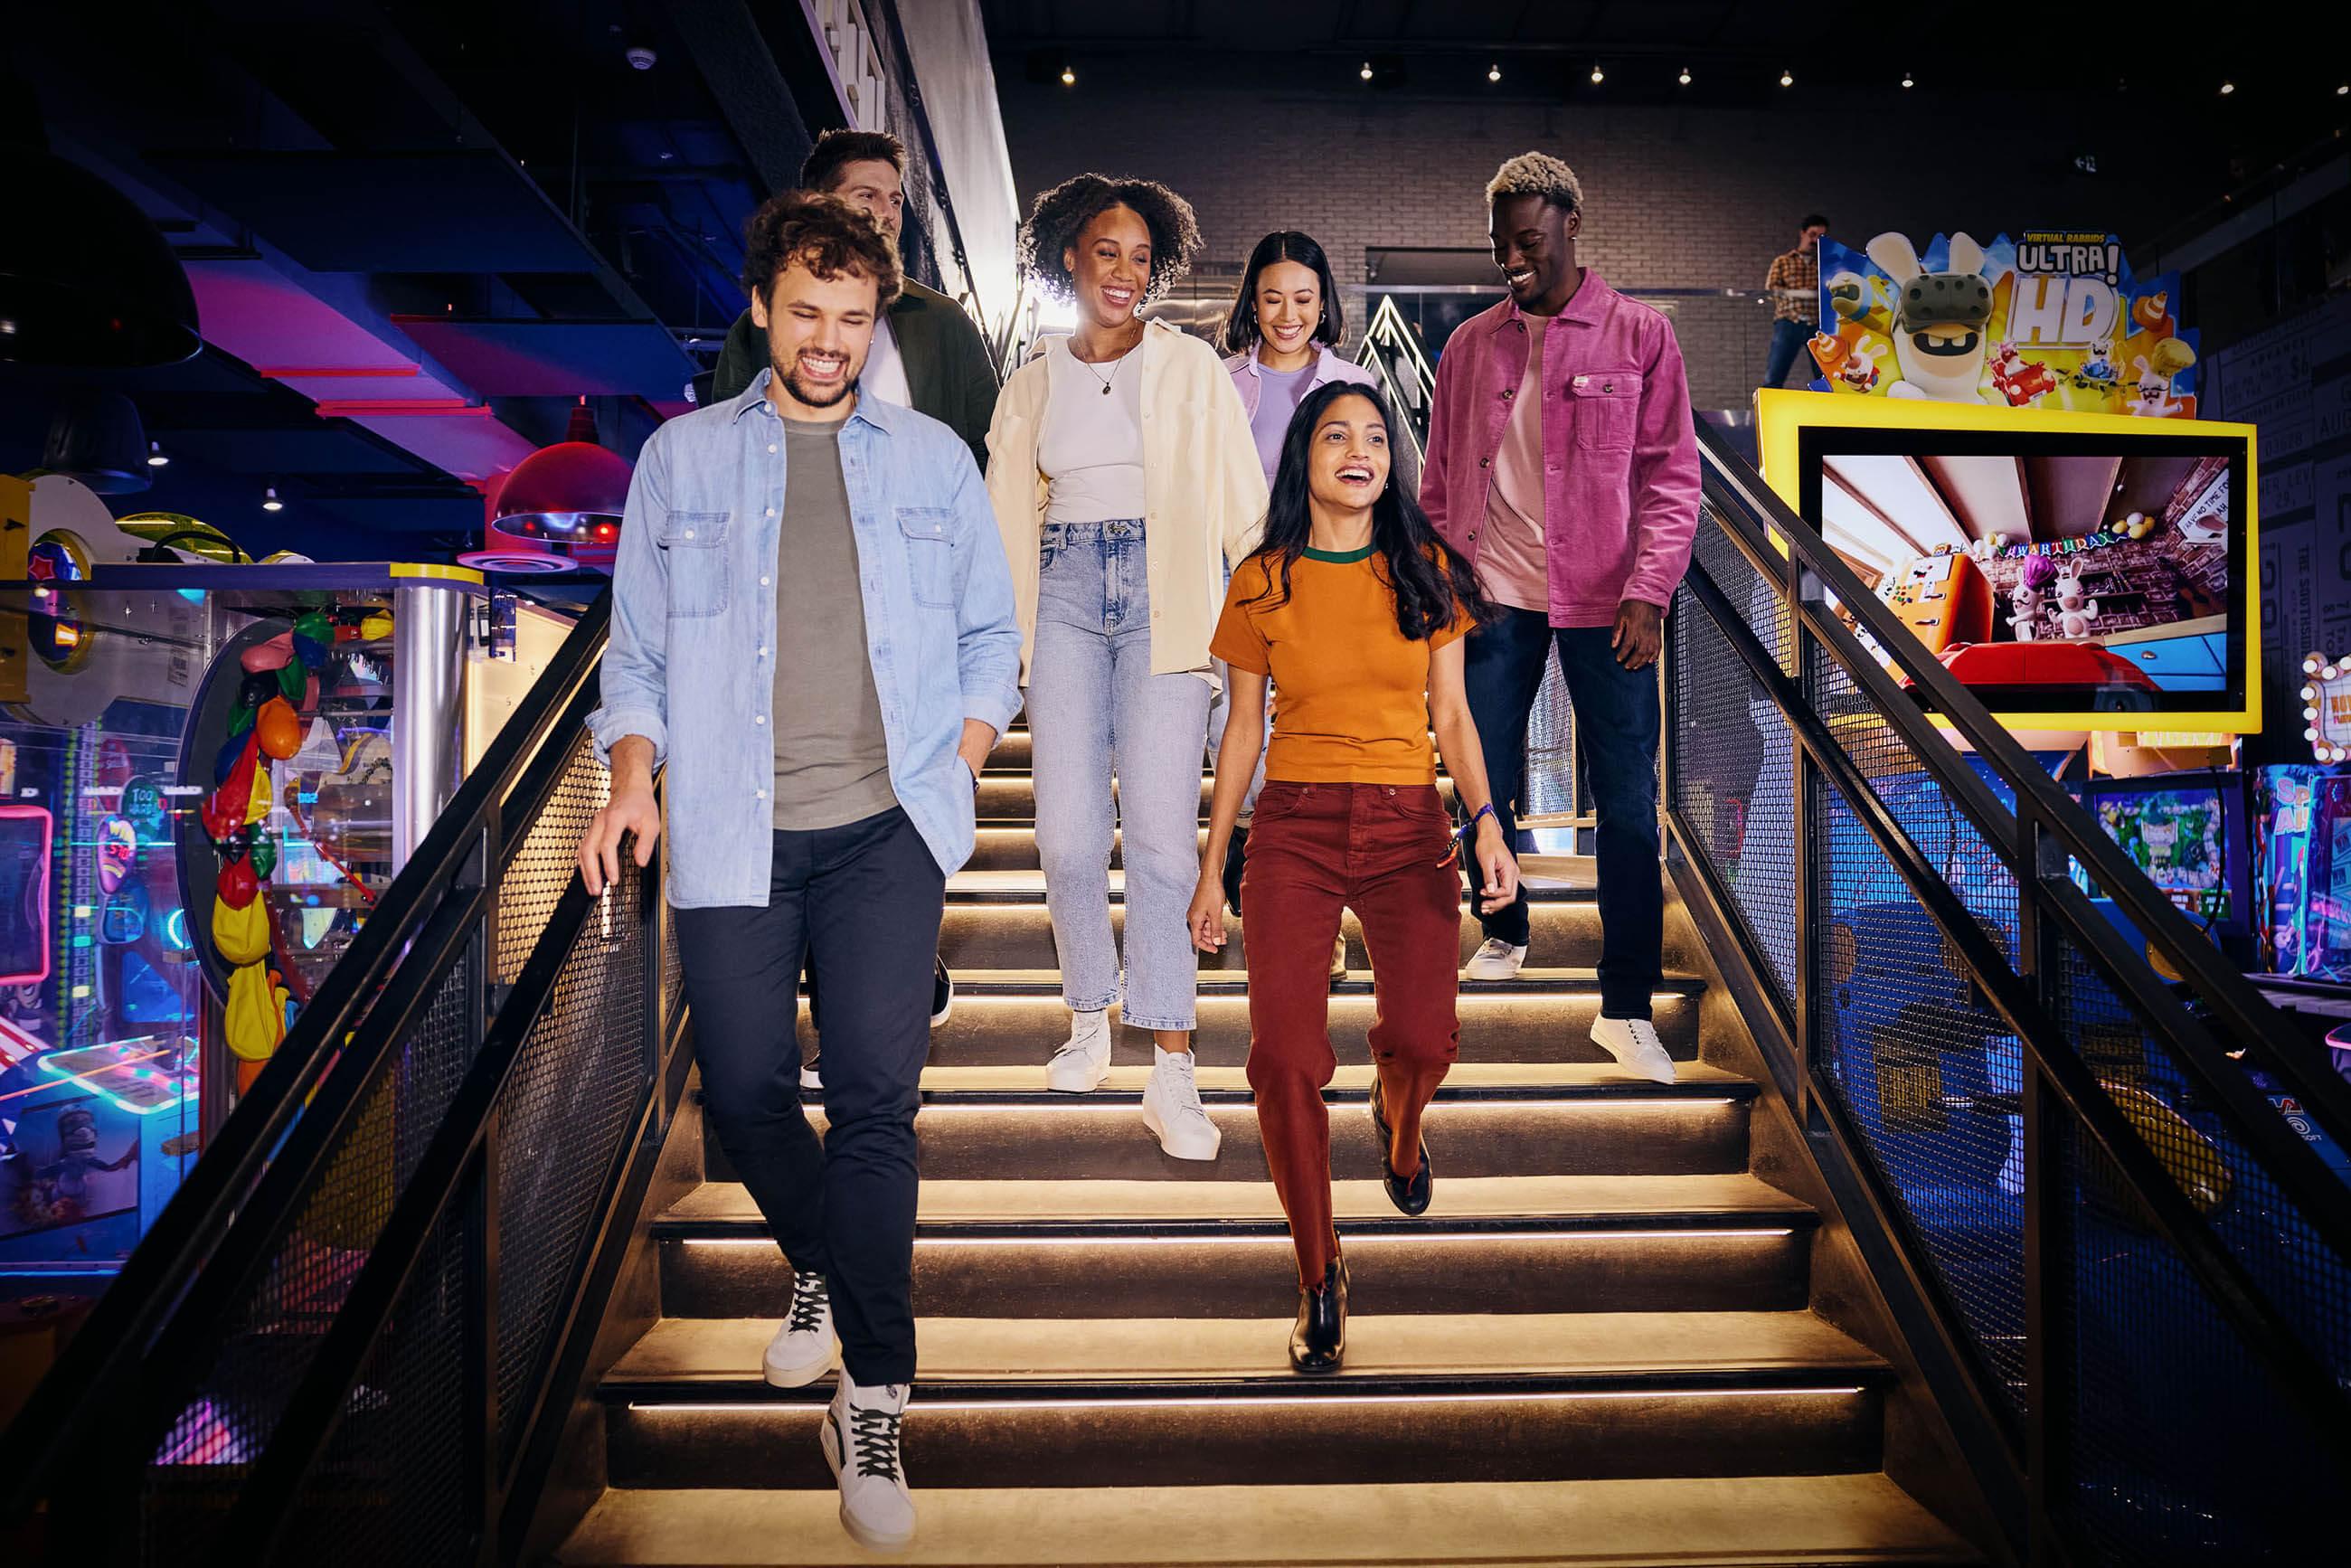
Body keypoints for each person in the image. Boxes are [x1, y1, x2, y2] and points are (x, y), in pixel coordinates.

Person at [579, 191, 1022, 1552]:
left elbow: (990, 642)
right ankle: (827, 1259)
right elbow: (638, 651)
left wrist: (942, 770)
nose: (827, 341)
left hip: (890, 827)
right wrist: (631, 780)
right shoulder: (682, 460)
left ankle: (874, 1391)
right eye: (805, 314)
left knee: (879, 1104)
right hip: (731, 828)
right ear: (764, 308)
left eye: (851, 319)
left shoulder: (937, 461)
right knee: (757, 1089)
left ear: (873, 322)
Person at [1191, 380, 1516, 1373]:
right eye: (1335, 435)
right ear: (1305, 458)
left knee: (1424, 1037)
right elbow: (1241, 731)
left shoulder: (1427, 573)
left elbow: (1451, 719)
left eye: (1375, 437)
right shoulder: (1261, 581)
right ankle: (1317, 1274)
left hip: (1403, 822)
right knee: (1282, 1061)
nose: (1357, 451)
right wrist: (1213, 869)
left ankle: (1398, 1117)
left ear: (1391, 461)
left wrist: (1487, 823)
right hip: (1290, 827)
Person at [984, 174, 1268, 1159]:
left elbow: (1243, 505)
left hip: (1168, 599)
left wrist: (1269, 622)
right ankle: (1088, 1015)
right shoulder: (1029, 383)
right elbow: (997, 527)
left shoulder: (1190, 366)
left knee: (1156, 841)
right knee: (1065, 839)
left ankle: (1174, 1070)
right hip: (1060, 591)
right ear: (1069, 253)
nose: (1125, 271)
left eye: (1142, 256)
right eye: (1107, 251)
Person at [710, 128, 1000, 1060]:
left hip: (914, 599)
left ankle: (894, 955)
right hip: (799, 598)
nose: (883, 211)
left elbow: (984, 457)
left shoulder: (941, 326)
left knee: (904, 774)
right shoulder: (753, 337)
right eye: (864, 195)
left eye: (892, 199)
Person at [1420, 151, 1700, 1083]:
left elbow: (1671, 478)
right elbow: (1435, 480)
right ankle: (1500, 927)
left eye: (1528, 242)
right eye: (1500, 246)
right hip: (1490, 591)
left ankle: (1623, 1006)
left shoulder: (1638, 334)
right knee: (1479, 777)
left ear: (1571, 225)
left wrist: (1647, 592)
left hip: (1606, 600)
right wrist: (1436, 578)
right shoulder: (1468, 346)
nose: (1512, 260)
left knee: (1623, 802)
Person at [1209, 232, 1394, 978]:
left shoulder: (1351, 380)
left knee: (1319, 745)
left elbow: (1373, 481)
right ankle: (1273, 892)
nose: (1289, 314)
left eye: (1305, 298)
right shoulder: (1218, 382)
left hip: (1332, 589)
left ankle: (1325, 918)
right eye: (1274, 297)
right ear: (1252, 301)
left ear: (1326, 303)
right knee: (1242, 738)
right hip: (1242, 585)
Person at [1763, 213, 1828, 390]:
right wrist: (1800, 294)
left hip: (1817, 326)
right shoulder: (1782, 262)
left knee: (1826, 376)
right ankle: (1768, 415)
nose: (1815, 240)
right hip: (1788, 322)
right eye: (1813, 235)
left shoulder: (1825, 265)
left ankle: (1830, 415)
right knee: (1774, 375)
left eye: (1820, 237)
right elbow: (1771, 289)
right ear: (1803, 233)